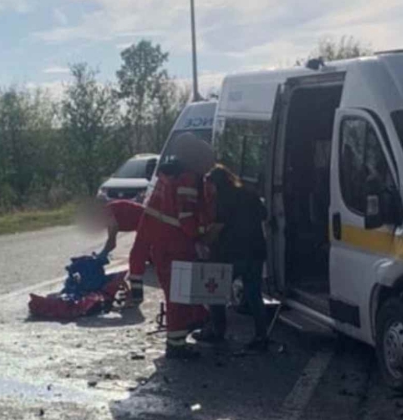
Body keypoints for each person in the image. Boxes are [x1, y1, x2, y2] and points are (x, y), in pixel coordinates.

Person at [129, 133, 215, 359]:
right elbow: (186, 218)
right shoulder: (187, 180)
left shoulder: (167, 175)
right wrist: (206, 233)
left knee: (176, 294)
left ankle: (183, 332)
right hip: (176, 246)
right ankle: (176, 345)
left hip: (163, 246)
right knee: (178, 297)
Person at [194, 165, 270, 353]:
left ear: (215, 183)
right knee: (254, 295)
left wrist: (201, 241)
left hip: (231, 254)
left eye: (209, 184)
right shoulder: (249, 193)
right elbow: (264, 214)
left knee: (215, 291)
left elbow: (218, 227)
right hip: (255, 251)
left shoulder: (223, 198)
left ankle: (217, 331)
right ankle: (262, 336)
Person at [88, 197, 152, 305]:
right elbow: (112, 243)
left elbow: (112, 240)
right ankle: (136, 293)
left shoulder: (107, 212)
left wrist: (102, 254)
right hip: (146, 223)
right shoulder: (109, 212)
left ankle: (137, 296)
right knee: (148, 257)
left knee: (136, 259)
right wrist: (103, 253)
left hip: (148, 222)